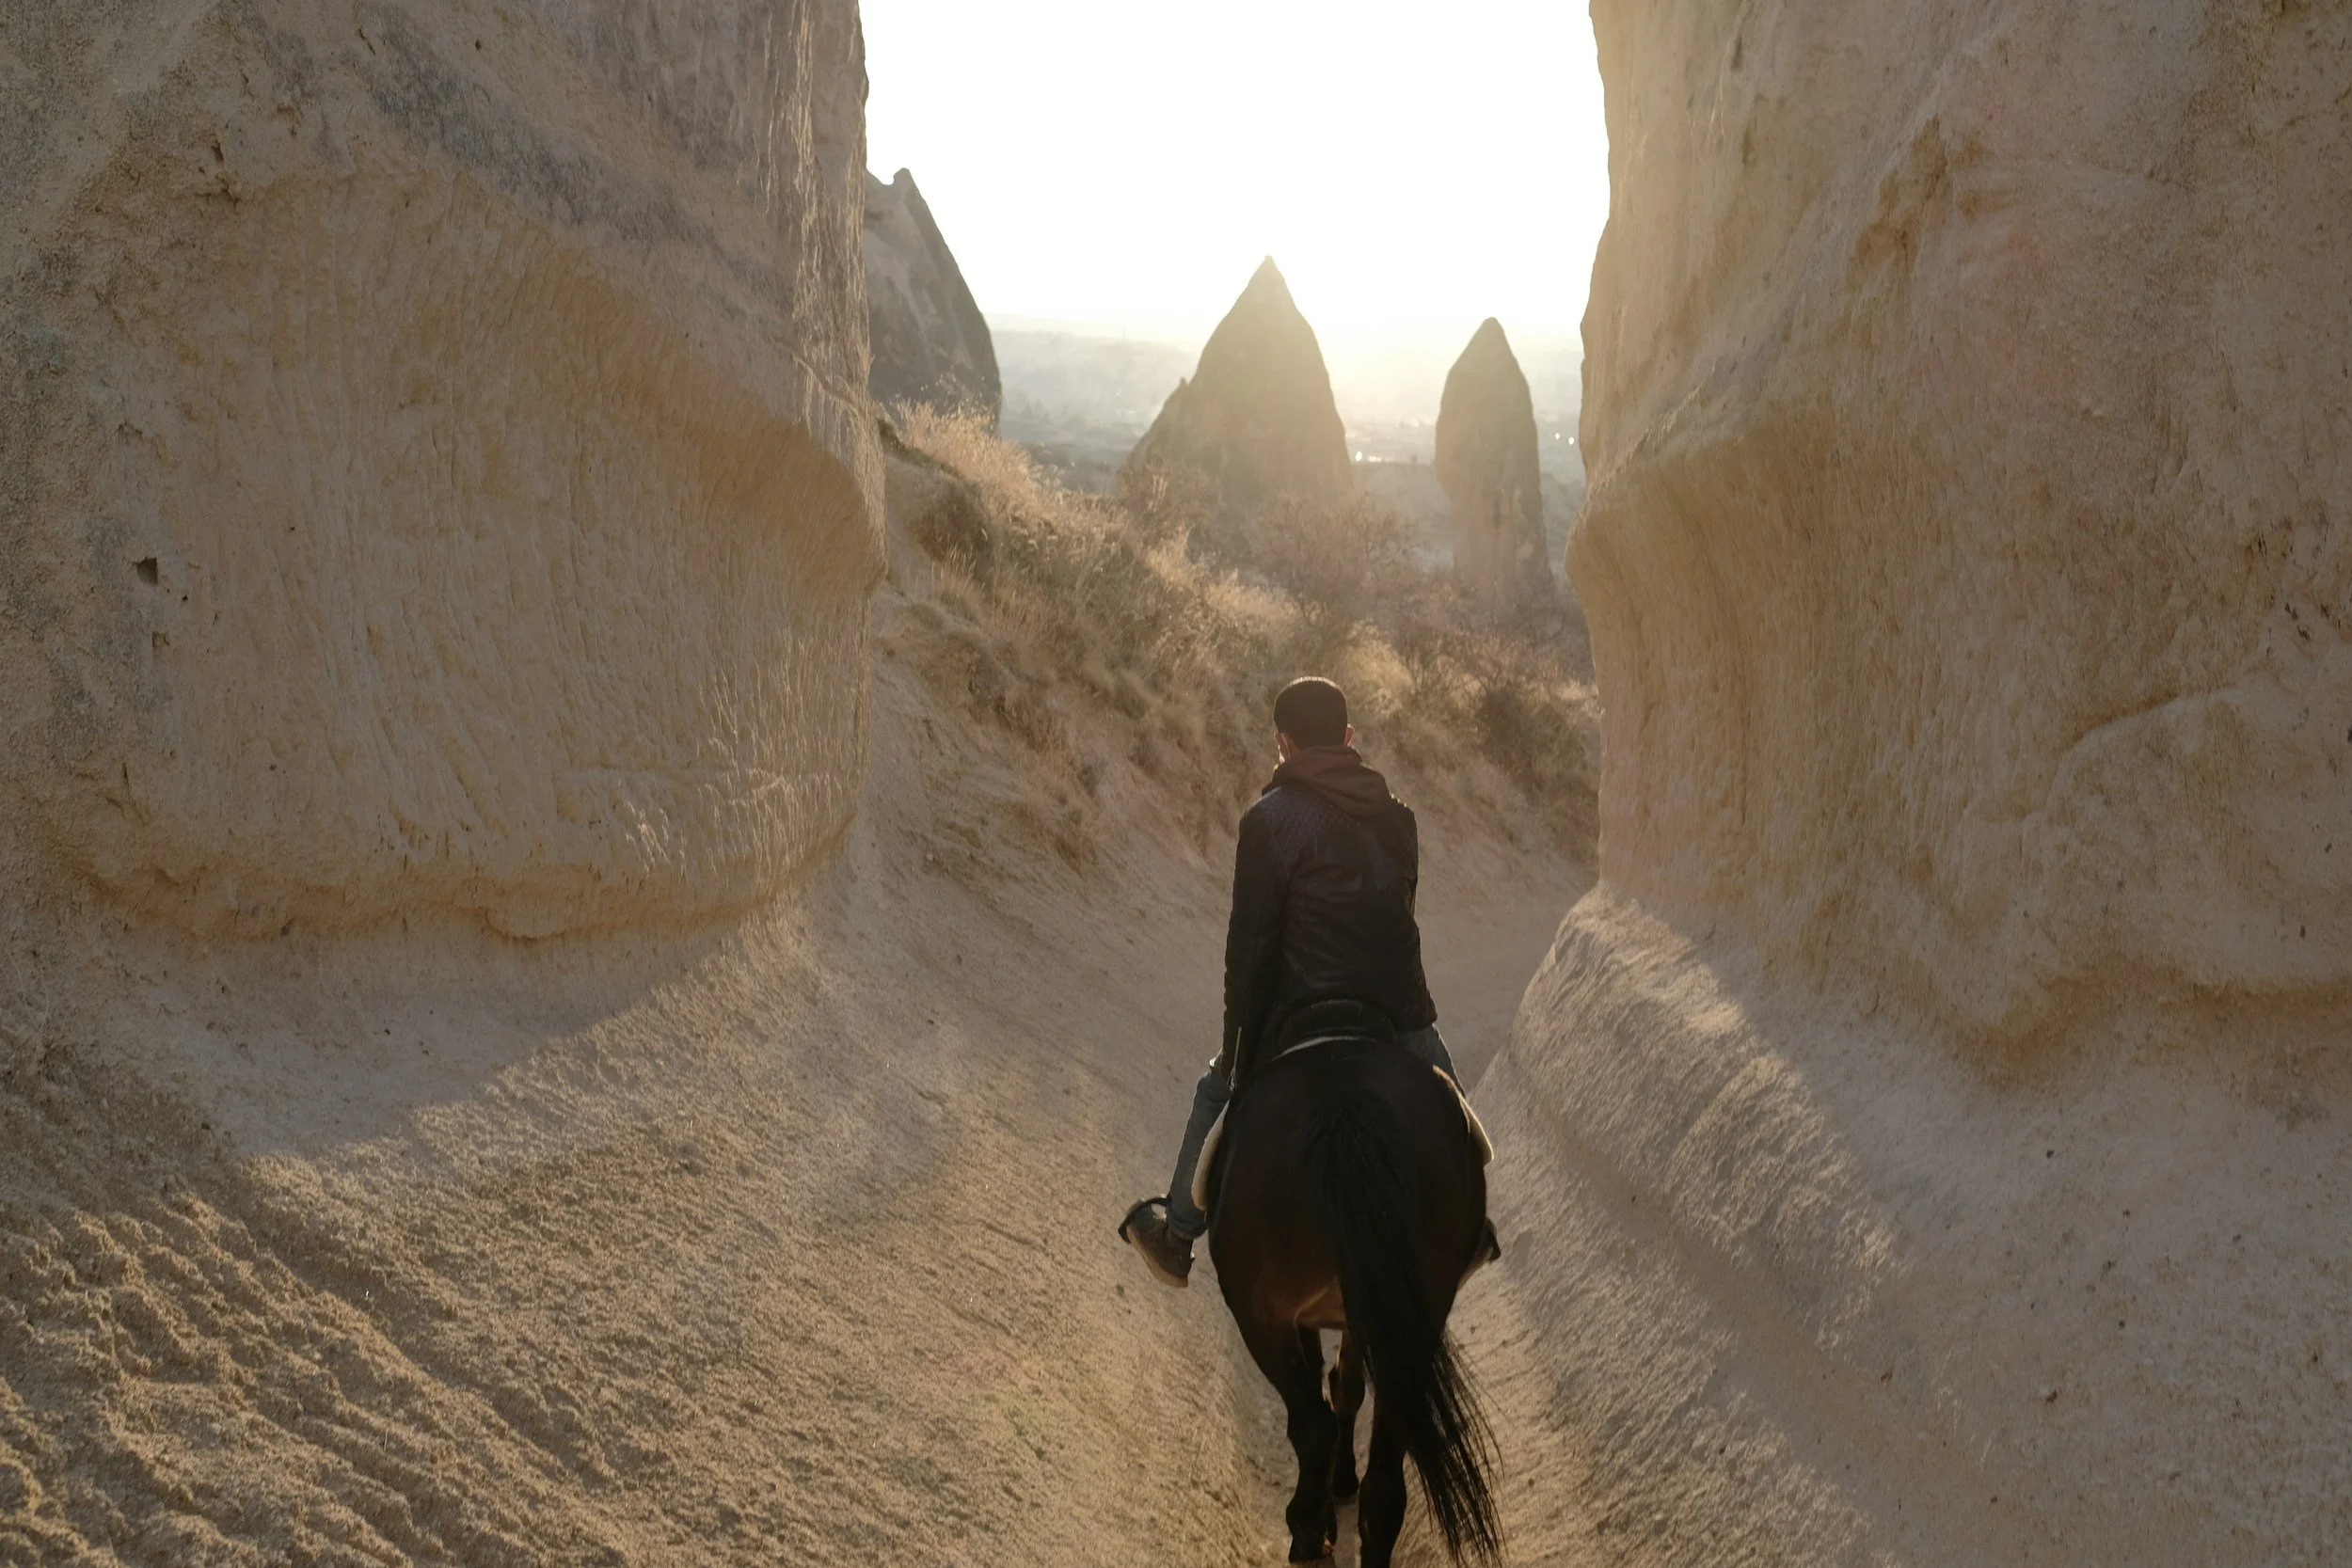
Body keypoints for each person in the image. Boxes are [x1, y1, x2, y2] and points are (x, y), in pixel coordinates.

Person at [1120, 675, 1488, 1288]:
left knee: (1211, 1093)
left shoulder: (1267, 819)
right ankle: (1472, 1232)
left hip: (1296, 1006)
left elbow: (1252, 945)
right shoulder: (1400, 819)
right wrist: (1413, 1019)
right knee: (1454, 1116)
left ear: (1283, 744)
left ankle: (1176, 1234)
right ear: (1348, 738)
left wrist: (1237, 1049)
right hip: (1393, 1007)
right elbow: (1399, 918)